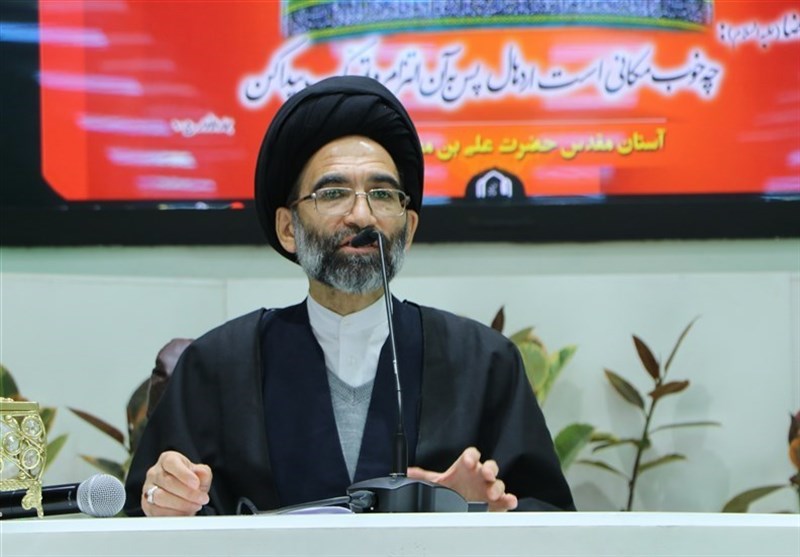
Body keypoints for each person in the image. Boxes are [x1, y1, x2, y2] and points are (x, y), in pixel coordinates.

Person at [124, 76, 574, 516]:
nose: (362, 215)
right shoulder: (217, 366)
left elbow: (550, 518)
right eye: (334, 192)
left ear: (409, 228)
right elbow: (149, 514)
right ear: (288, 228)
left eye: (382, 194)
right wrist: (167, 500)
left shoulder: (484, 362)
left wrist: (485, 517)